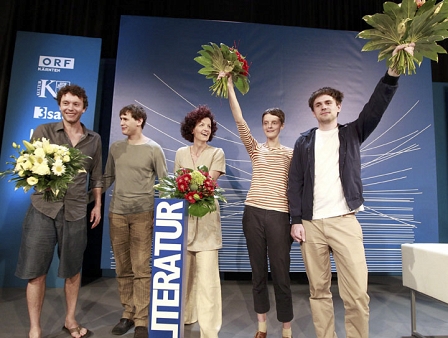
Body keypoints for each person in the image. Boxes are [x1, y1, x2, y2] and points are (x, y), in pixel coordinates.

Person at [287, 43, 415, 338]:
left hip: (345, 221)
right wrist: (295, 219)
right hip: (311, 225)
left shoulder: (353, 132)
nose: (324, 107)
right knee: (318, 291)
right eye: (318, 104)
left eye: (328, 102)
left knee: (356, 293)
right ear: (313, 111)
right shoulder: (304, 142)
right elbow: (295, 182)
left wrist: (392, 73)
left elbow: (376, 106)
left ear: (338, 106)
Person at [15, 84, 103, 338]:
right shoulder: (44, 131)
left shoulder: (94, 139)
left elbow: (97, 177)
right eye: (66, 103)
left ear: (84, 108)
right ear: (59, 105)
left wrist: (96, 204)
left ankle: (70, 320)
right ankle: (35, 328)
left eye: (76, 104)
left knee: (73, 270)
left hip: (76, 211)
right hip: (43, 209)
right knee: (36, 272)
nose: (70, 108)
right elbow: (28, 164)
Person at [222, 73, 294, 338]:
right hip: (252, 213)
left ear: (282, 125)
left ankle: (286, 329)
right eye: (266, 122)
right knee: (258, 273)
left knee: (281, 274)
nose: (270, 125)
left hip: (278, 216)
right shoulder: (256, 149)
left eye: (274, 122)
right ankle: (262, 325)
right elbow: (239, 120)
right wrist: (230, 85)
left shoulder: (291, 154)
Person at [103, 104, 168, 338]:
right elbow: (107, 176)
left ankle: (141, 319)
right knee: (123, 267)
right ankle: (127, 314)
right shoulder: (116, 148)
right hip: (117, 214)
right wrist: (89, 198)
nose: (121, 123)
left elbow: (165, 183)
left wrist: (159, 215)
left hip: (143, 215)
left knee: (141, 268)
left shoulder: (154, 149)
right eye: (120, 119)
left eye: (125, 119)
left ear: (139, 121)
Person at [175, 105, 225, 338]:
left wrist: (190, 185)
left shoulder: (217, 153)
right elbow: (177, 186)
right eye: (201, 125)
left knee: (207, 280)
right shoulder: (180, 153)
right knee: (185, 276)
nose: (205, 129)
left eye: (209, 126)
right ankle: (185, 317)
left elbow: (208, 184)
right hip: (183, 223)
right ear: (192, 128)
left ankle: (209, 331)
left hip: (206, 222)